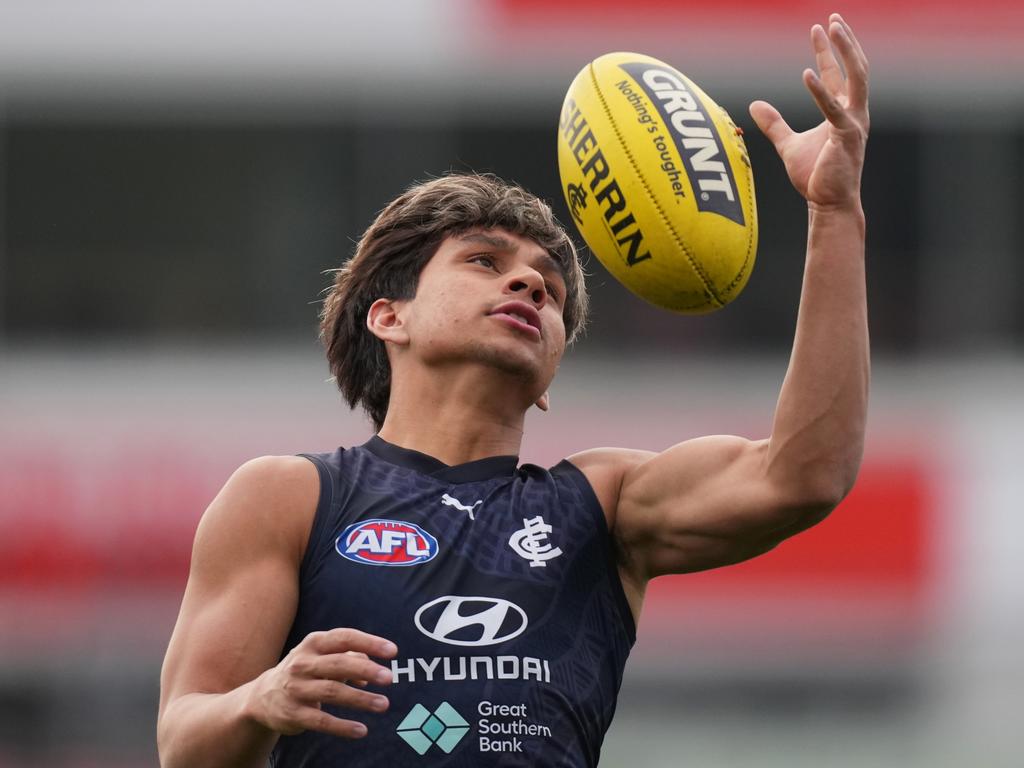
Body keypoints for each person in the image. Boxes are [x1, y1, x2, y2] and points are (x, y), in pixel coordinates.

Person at [157, 12, 869, 767]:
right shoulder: (288, 497)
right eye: (484, 261)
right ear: (389, 317)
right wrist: (259, 699)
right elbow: (183, 741)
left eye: (552, 289)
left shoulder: (605, 504)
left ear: (549, 379)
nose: (529, 281)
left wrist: (835, 213)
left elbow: (803, 474)